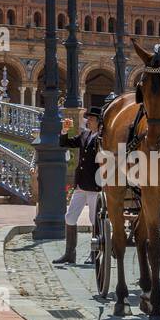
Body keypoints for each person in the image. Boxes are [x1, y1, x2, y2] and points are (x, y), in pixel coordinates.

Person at [53, 104, 103, 265]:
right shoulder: (85, 135)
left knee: (95, 219)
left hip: (95, 185)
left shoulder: (102, 138)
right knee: (70, 217)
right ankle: (70, 253)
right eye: (88, 118)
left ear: (98, 121)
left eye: (91, 119)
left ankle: (94, 253)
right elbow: (65, 143)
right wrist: (65, 130)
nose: (88, 121)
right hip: (81, 184)